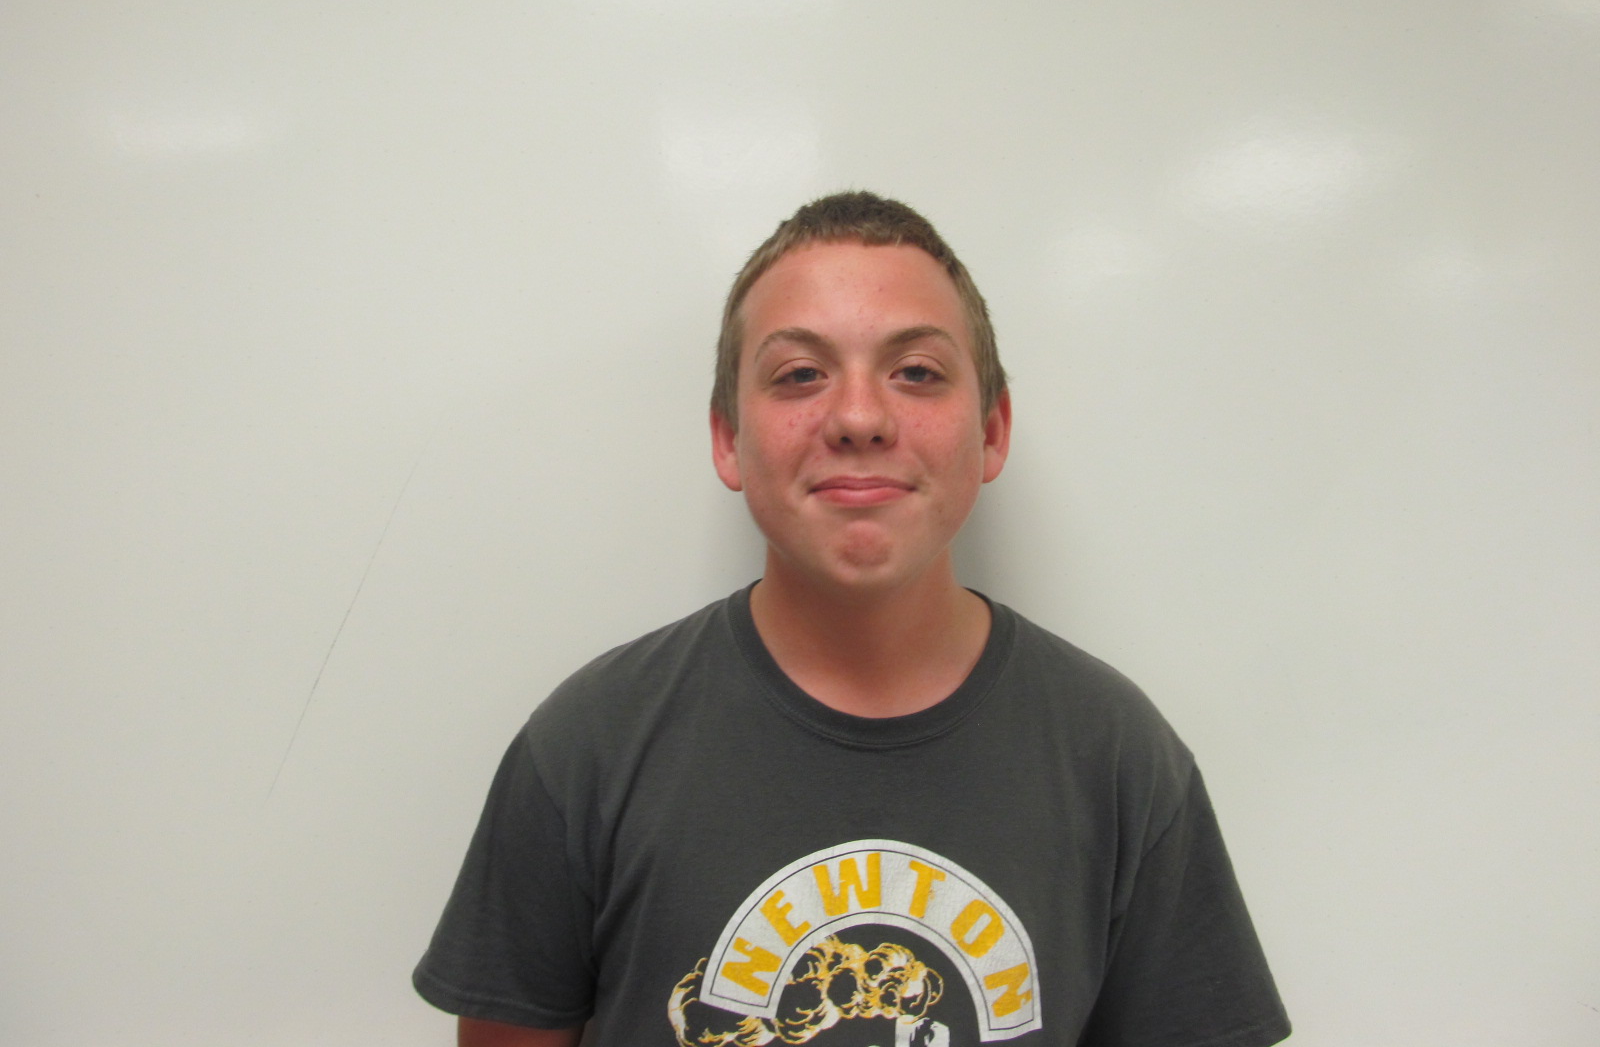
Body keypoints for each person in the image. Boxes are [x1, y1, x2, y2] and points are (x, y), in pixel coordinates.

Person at [414, 192, 1291, 1047]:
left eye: (917, 373)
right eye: (800, 374)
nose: (861, 418)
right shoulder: (587, 749)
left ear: (991, 430)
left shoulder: (1119, 760)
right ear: (728, 437)